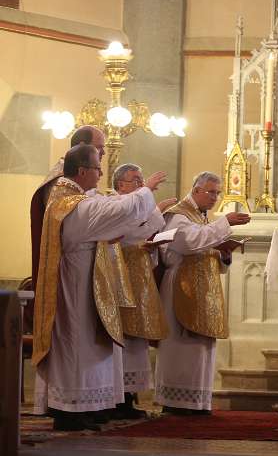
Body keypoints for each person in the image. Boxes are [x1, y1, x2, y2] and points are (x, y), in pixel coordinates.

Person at [33, 144, 166, 430]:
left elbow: (113, 217)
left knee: (84, 346)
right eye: (96, 167)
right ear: (82, 171)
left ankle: (81, 409)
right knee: (76, 344)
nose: (100, 172)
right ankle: (70, 411)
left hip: (84, 277)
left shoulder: (71, 199)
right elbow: (118, 209)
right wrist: (147, 190)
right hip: (75, 282)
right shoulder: (69, 203)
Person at [154, 172, 251, 415]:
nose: (214, 197)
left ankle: (198, 401)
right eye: (210, 192)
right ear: (195, 189)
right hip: (181, 286)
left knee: (202, 347)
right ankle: (176, 402)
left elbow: (206, 248)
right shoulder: (178, 214)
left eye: (217, 193)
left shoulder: (201, 216)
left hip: (203, 288)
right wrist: (225, 222)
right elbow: (188, 243)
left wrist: (224, 256)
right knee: (183, 345)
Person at [111, 163, 176, 418]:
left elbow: (139, 235)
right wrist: (157, 211)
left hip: (137, 278)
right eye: (134, 180)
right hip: (119, 281)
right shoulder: (114, 204)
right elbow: (128, 233)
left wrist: (151, 248)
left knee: (136, 340)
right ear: (120, 185)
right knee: (124, 338)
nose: (140, 184)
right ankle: (119, 399)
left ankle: (129, 397)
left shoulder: (134, 206)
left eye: (141, 179)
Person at [29, 125, 106, 289]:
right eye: (100, 147)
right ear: (84, 145)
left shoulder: (74, 177)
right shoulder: (62, 179)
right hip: (66, 265)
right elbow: (70, 222)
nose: (104, 153)